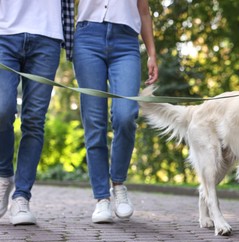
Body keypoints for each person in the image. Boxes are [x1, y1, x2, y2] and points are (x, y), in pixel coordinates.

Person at [73, 0, 159, 223]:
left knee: (126, 115)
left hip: (126, 41)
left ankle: (118, 184)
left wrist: (151, 53)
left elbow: (143, 11)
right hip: (87, 37)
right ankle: (101, 198)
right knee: (94, 120)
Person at [0, 0, 74, 225]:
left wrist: (71, 47)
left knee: (34, 120)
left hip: (46, 34)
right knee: (2, 110)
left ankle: (22, 196)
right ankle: (4, 175)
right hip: (3, 33)